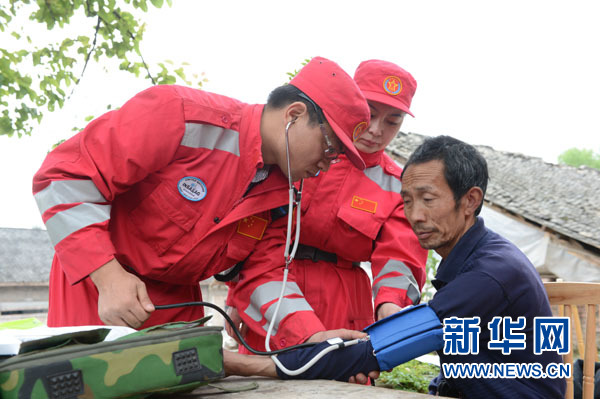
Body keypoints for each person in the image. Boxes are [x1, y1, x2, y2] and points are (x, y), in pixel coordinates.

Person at [32, 57, 372, 331]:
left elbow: (262, 274)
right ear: (295, 115)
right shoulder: (179, 115)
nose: (327, 165)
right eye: (329, 147)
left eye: (337, 157)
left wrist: (312, 335)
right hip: (97, 286)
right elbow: (62, 176)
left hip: (179, 305)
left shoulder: (282, 194)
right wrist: (107, 276)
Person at [224, 60, 428, 353]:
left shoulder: (398, 185)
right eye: (369, 114)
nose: (375, 130)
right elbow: (253, 227)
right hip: (274, 294)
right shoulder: (297, 150)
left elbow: (400, 256)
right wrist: (235, 295)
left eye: (392, 121)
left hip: (344, 306)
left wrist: (390, 304)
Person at [399, 135, 565, 398]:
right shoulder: (467, 256)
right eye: (407, 201)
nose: (416, 215)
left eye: (428, 199)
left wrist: (317, 356)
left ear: (470, 201)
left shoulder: (492, 270)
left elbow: (399, 340)